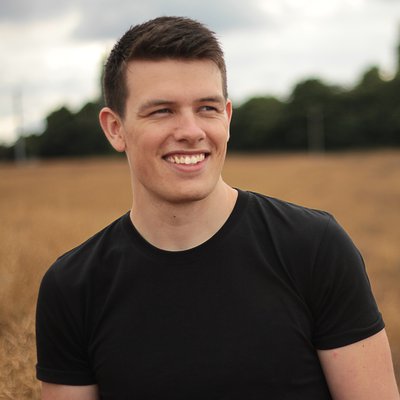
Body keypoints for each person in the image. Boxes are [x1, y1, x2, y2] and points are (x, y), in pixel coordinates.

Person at [35, 16, 399, 400]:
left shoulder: (315, 247)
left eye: (206, 108)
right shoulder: (72, 287)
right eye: (161, 110)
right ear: (115, 128)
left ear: (227, 116)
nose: (191, 131)